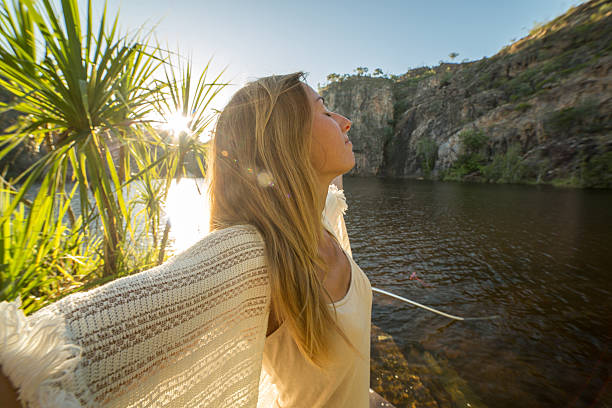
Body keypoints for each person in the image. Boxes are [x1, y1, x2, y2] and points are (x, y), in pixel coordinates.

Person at [0, 72, 372, 408]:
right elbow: (39, 360)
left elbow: (322, 190)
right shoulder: (252, 256)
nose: (346, 121)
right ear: (285, 140)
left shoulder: (320, 218)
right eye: (325, 112)